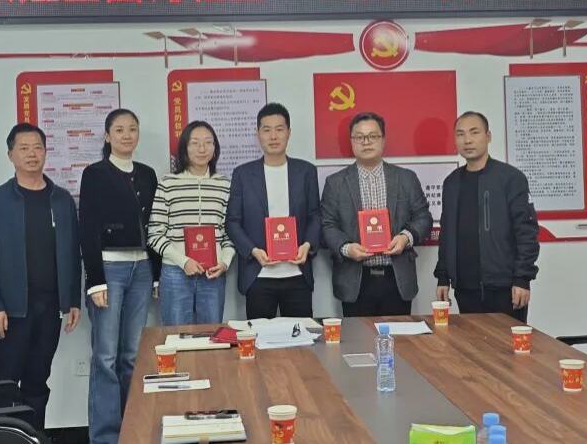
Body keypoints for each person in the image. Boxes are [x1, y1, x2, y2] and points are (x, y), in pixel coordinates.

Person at [0, 123, 81, 430]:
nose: (32, 154)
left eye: (37, 148)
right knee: (5, 384)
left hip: (50, 307)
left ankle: (34, 436)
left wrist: (72, 299)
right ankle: (2, 437)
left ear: (46, 152)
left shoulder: (61, 199)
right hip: (11, 310)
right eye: (24, 148)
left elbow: (72, 253)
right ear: (11, 155)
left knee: (38, 381)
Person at [78, 109, 159, 444]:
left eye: (132, 129)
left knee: (133, 356)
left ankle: (133, 430)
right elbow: (87, 227)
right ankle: (105, 437)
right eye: (120, 130)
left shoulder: (147, 174)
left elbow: (155, 226)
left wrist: (155, 275)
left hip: (142, 269)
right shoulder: (95, 174)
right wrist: (95, 280)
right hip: (109, 269)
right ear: (107, 136)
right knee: (106, 357)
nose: (127, 135)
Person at [321, 112, 432, 317]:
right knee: (358, 337)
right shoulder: (335, 183)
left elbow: (423, 217)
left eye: (373, 136)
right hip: (355, 280)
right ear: (351, 141)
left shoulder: (406, 178)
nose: (366, 142)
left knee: (399, 336)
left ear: (383, 140)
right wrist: (347, 248)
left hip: (396, 278)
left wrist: (405, 238)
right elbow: (328, 225)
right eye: (359, 137)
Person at [433, 112, 540, 322]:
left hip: (505, 287)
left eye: (474, 132)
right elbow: (447, 234)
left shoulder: (511, 178)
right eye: (461, 134)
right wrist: (443, 277)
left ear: (488, 136)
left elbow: (526, 232)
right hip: (465, 288)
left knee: (507, 343)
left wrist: (522, 278)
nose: (467, 140)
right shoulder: (452, 183)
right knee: (471, 343)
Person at [226, 103, 321, 319]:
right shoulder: (242, 174)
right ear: (257, 133)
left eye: (279, 129)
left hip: (297, 273)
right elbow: (233, 221)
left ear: (289, 132)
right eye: (266, 130)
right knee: (259, 337)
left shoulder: (306, 171)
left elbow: (315, 215)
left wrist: (307, 245)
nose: (273, 136)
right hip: (258, 274)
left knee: (301, 337)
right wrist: (252, 250)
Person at [147, 121, 235, 325]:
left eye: (208, 142)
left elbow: (230, 232)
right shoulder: (168, 183)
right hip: (175, 273)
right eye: (195, 143)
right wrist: (183, 261)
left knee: (211, 335)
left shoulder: (224, 185)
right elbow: (155, 233)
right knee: (176, 335)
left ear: (215, 147)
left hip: (213, 274)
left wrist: (225, 262)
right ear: (184, 148)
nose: (202, 149)